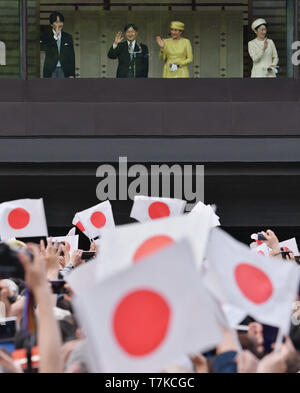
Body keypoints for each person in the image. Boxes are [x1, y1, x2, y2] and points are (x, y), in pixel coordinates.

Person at [40, 11, 75, 79]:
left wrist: (72, 74)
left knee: (64, 89)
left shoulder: (68, 37)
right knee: (51, 89)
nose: (59, 24)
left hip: (64, 69)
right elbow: (44, 48)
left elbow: (71, 56)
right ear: (51, 24)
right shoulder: (46, 36)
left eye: (61, 22)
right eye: (56, 22)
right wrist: (55, 36)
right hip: (51, 69)